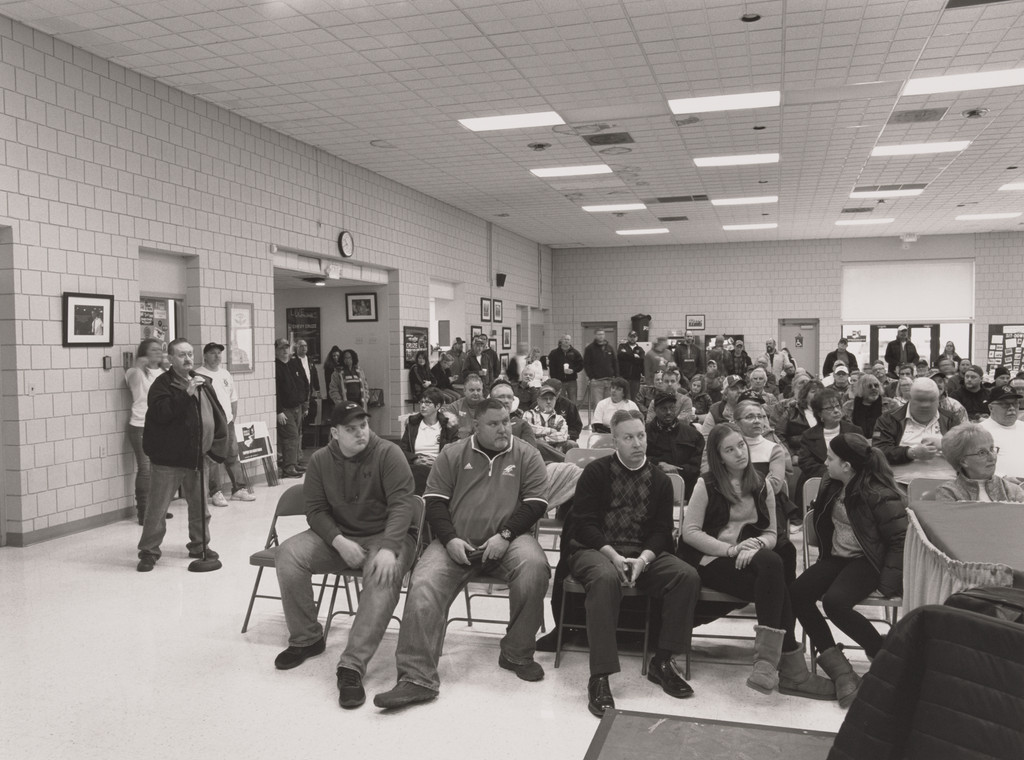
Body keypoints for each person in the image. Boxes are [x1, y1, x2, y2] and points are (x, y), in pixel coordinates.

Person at [373, 399, 551, 709]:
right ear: (475, 425)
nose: (503, 428)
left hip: (509, 540)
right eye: (494, 424)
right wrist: (450, 539)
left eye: (506, 421)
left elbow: (535, 503)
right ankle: (417, 678)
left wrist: (505, 536)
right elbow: (435, 502)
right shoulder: (452, 454)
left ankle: (516, 653)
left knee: (535, 566)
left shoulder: (527, 454)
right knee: (423, 581)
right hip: (456, 541)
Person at [272, 402, 419, 710]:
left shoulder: (388, 454)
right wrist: (338, 541)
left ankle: (351, 666)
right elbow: (315, 510)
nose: (360, 433)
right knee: (288, 554)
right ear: (335, 433)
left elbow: (403, 504)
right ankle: (307, 638)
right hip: (339, 536)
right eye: (351, 429)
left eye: (363, 426)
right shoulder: (321, 460)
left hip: (386, 536)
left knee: (382, 573)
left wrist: (390, 547)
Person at [680, 424, 833, 699]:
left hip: (749, 555)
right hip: (712, 558)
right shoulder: (707, 482)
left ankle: (770, 665)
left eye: (741, 445)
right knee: (778, 584)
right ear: (719, 456)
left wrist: (757, 545)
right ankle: (788, 669)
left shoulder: (761, 483)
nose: (739, 452)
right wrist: (732, 549)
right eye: (730, 449)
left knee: (777, 560)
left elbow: (772, 533)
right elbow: (689, 533)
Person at [567, 409, 699, 717]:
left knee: (686, 576)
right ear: (615, 441)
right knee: (604, 578)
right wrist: (613, 556)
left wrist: (642, 559)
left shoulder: (660, 480)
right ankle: (599, 676)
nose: (638, 443)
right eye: (629, 438)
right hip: (595, 550)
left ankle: (662, 661)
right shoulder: (596, 473)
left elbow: (662, 532)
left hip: (642, 553)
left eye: (641, 436)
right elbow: (583, 524)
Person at [790, 433, 907, 707]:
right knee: (797, 593)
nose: (825, 462)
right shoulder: (832, 484)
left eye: (830, 458)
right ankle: (839, 667)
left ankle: (881, 654)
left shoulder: (879, 493)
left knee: (835, 602)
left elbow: (900, 540)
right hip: (837, 557)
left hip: (868, 561)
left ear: (847, 465)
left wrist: (888, 583)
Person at [137, 338, 228, 572]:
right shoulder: (162, 384)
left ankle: (199, 546)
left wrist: (215, 446)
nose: (187, 359)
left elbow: (215, 414)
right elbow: (162, 414)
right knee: (157, 508)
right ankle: (149, 551)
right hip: (168, 459)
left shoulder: (203, 382)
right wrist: (186, 394)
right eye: (181, 355)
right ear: (170, 359)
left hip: (198, 457)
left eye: (190, 354)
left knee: (200, 507)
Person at [196, 341, 256, 506]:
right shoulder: (198, 375)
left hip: (227, 422)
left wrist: (232, 416)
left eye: (219, 353)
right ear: (205, 356)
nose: (217, 356)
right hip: (211, 424)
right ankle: (215, 492)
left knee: (232, 455)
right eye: (213, 353)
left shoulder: (225, 374)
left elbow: (233, 397)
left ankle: (238, 489)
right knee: (213, 458)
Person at [873, 378, 959, 487]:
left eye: (931, 400)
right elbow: (879, 451)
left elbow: (967, 450)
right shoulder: (889, 419)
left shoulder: (951, 419)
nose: (925, 405)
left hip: (948, 483)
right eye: (920, 400)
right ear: (909, 398)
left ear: (939, 399)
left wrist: (944, 445)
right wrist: (910, 453)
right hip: (900, 484)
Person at [126, 338, 168, 525]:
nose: (158, 352)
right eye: (154, 350)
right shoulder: (136, 372)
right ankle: (143, 511)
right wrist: (139, 363)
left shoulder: (165, 373)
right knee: (145, 469)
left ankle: (157, 508)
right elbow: (133, 378)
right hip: (141, 425)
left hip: (163, 427)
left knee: (160, 470)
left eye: (161, 349)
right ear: (144, 352)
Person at [796, 389, 862, 501]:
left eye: (838, 406)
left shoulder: (854, 431)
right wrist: (832, 473)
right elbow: (806, 463)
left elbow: (861, 458)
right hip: (818, 481)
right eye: (830, 408)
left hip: (850, 480)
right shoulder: (808, 435)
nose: (836, 411)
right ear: (819, 414)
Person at [934, 423, 1024, 502]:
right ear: (963, 461)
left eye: (992, 449)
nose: (992, 457)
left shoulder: (1013, 490)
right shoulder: (948, 492)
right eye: (982, 453)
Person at [400, 388, 460, 494]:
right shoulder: (412, 425)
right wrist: (415, 459)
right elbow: (402, 450)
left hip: (440, 467)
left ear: (438, 406)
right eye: (421, 402)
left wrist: (438, 461)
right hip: (416, 467)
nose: (423, 406)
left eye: (428, 403)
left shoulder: (448, 426)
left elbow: (456, 450)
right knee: (419, 473)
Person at [646, 393, 705, 499]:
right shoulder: (644, 434)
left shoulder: (693, 435)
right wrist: (658, 464)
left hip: (686, 490)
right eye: (663, 409)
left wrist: (677, 470)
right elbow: (638, 460)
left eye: (672, 408)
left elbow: (696, 467)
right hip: (651, 488)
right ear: (655, 410)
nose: (668, 412)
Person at [977, 386, 1023, 481]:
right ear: (991, 407)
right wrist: (1001, 478)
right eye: (1005, 405)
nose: (1012, 408)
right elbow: (974, 466)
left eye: (1015, 404)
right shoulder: (978, 432)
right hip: (996, 488)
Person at [275, 338, 306, 479]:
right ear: (276, 350)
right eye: (281, 348)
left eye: (286, 347)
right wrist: (279, 410)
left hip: (297, 406)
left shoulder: (295, 363)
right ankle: (288, 467)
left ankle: (294, 462)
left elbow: (305, 382)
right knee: (290, 436)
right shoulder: (275, 366)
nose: (284, 350)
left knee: (296, 435)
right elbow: (275, 391)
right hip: (285, 408)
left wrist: (305, 402)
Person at [522, 385, 578, 454]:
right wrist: (550, 430)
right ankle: (562, 459)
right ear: (538, 400)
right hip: (537, 451)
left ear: (555, 400)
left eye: (551, 399)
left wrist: (542, 437)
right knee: (539, 444)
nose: (548, 401)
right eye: (545, 398)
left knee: (572, 444)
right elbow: (529, 430)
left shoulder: (560, 418)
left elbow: (563, 436)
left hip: (557, 448)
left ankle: (560, 459)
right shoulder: (529, 414)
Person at [773, 379, 822, 453]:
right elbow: (779, 434)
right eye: (813, 392)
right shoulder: (792, 411)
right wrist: (791, 454)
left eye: (820, 392)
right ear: (805, 395)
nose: (817, 395)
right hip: (799, 456)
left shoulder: (827, 412)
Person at [440, 373, 487, 439]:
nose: (476, 393)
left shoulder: (488, 406)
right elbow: (443, 416)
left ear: (482, 391)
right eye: (472, 390)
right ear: (464, 391)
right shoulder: (456, 406)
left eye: (478, 390)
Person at [539, 378, 583, 443]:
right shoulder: (536, 404)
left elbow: (576, 428)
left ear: (559, 392)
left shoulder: (569, 405)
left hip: (563, 439)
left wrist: (564, 436)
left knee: (571, 444)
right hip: (542, 439)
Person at [583, 329, 618, 406]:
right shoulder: (590, 348)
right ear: (595, 335)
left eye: (602, 334)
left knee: (609, 404)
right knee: (598, 404)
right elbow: (586, 364)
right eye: (599, 334)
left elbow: (615, 362)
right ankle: (598, 418)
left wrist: (616, 376)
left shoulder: (610, 348)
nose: (601, 336)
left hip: (609, 380)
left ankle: (607, 418)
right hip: (596, 381)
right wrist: (591, 377)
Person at [293, 339, 320, 432]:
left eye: (305, 346)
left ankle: (305, 433)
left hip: (309, 390)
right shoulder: (294, 360)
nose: (304, 348)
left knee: (312, 410)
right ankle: (300, 436)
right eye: (301, 346)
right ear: (297, 348)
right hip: (298, 392)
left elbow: (314, 374)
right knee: (300, 415)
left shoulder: (310, 360)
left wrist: (317, 389)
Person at [548, 334, 584, 404]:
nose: (566, 341)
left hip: (572, 381)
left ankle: (572, 414)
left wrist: (573, 370)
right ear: (561, 341)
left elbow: (581, 365)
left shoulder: (575, 353)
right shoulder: (554, 353)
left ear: (570, 341)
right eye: (565, 339)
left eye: (568, 339)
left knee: (573, 401)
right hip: (559, 381)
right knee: (560, 401)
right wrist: (554, 379)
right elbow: (551, 367)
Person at [617, 330, 646, 400]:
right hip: (623, 377)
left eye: (634, 337)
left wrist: (644, 374)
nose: (632, 338)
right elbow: (620, 356)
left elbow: (641, 361)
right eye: (631, 337)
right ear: (628, 337)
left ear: (637, 338)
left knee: (634, 398)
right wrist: (634, 356)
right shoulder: (622, 346)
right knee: (623, 397)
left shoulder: (640, 349)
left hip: (635, 378)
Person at [322, 345, 343, 420]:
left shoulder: (343, 366)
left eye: (337, 355)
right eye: (334, 356)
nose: (335, 357)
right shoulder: (329, 367)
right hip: (332, 394)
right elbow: (328, 383)